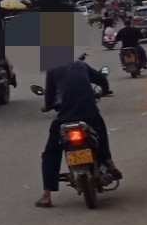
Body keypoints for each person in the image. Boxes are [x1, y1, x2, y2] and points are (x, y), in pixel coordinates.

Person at [36, 56, 121, 207]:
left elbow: (49, 98)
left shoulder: (52, 70)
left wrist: (46, 107)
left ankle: (47, 195)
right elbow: (102, 80)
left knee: (51, 153)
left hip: (65, 119)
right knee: (100, 130)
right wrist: (104, 91)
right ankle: (108, 161)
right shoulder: (80, 64)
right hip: (89, 116)